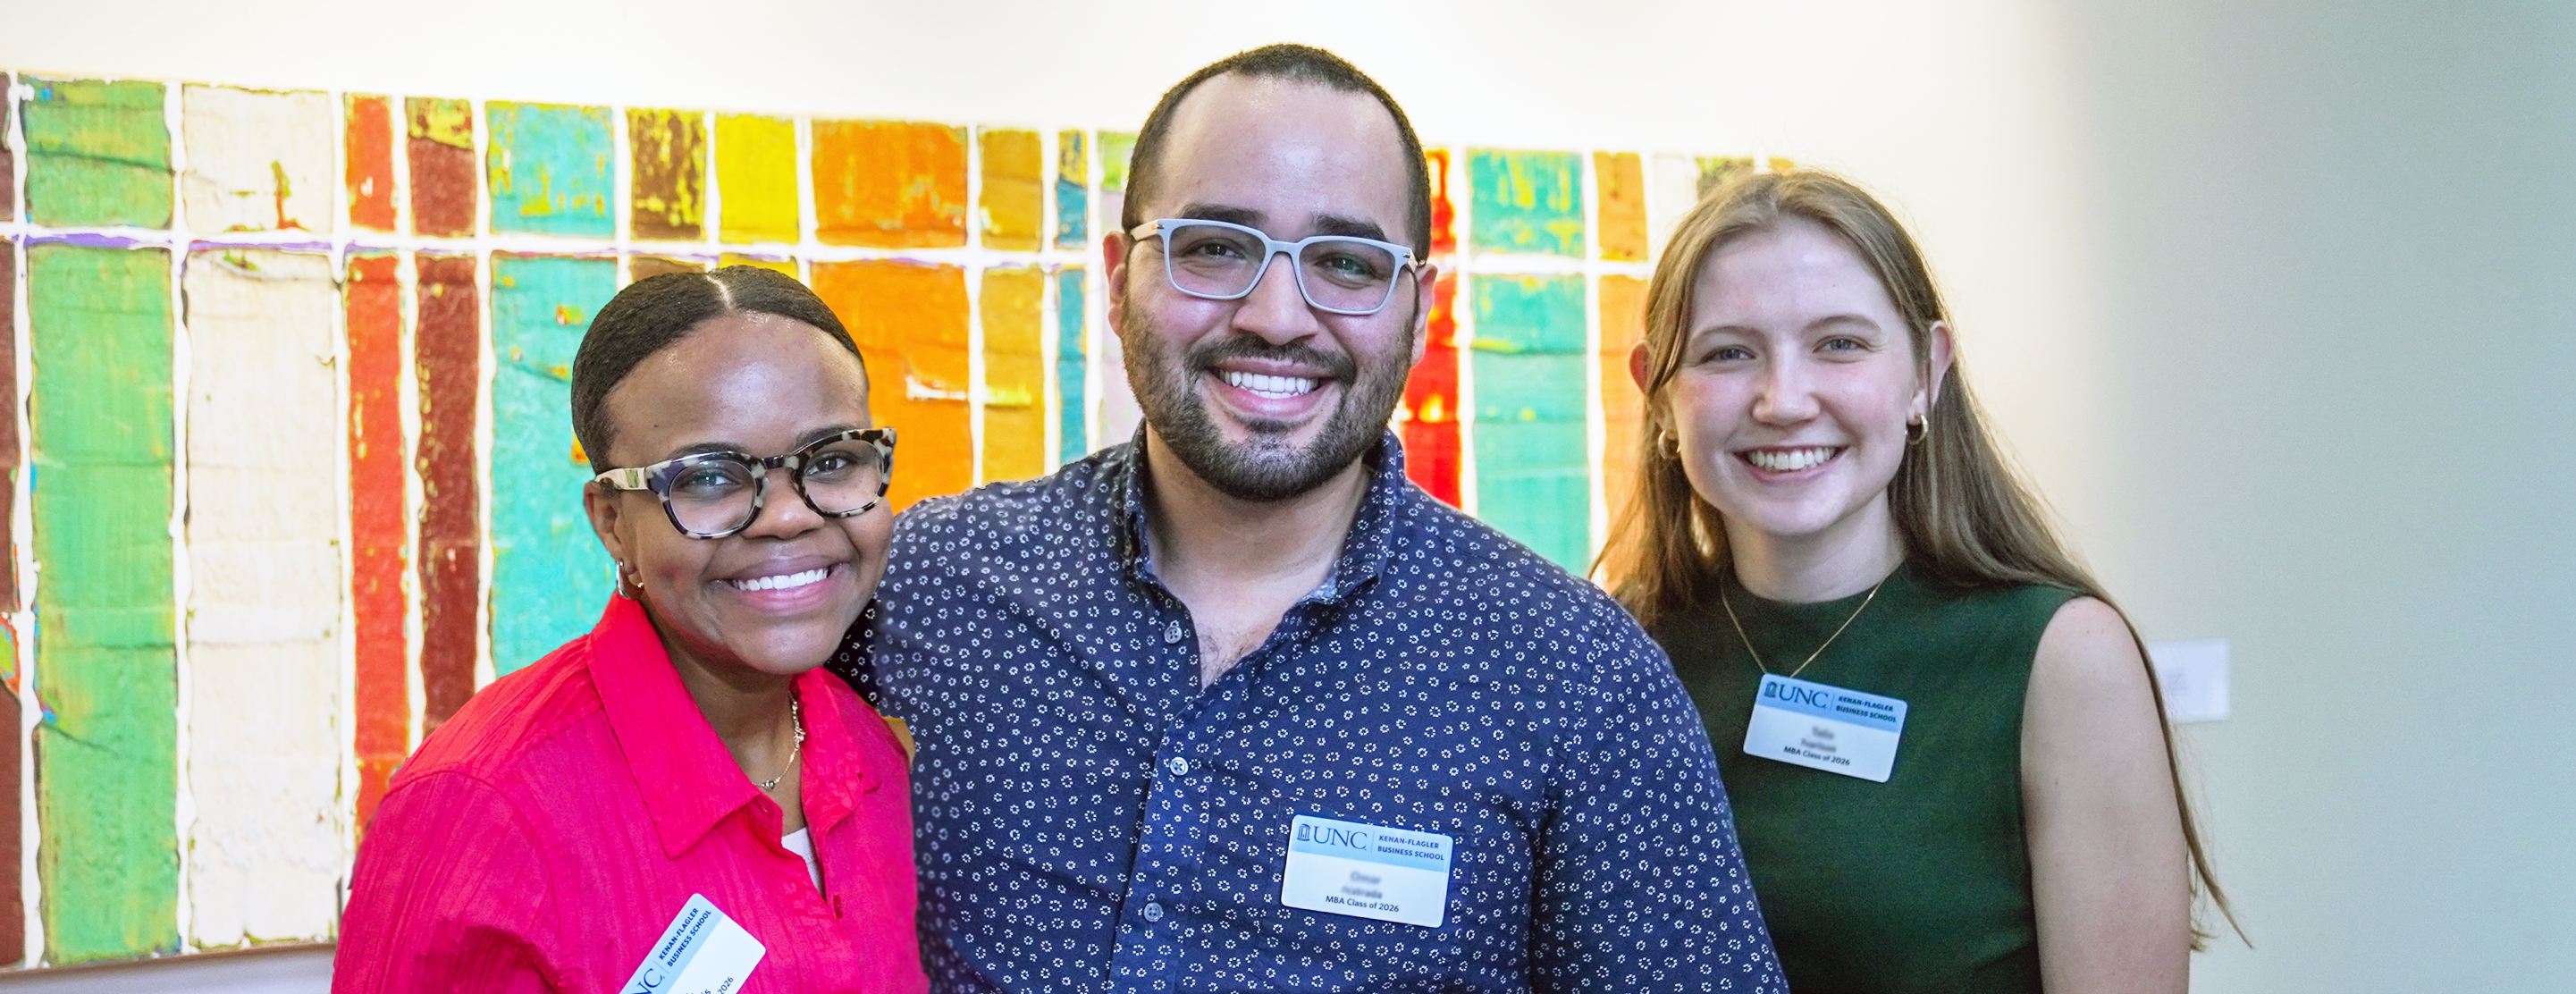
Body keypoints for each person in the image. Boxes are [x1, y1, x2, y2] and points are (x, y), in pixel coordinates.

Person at [833, 44, 1783, 994]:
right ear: (1119, 282)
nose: (1277, 317)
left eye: (1346, 263)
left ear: (1418, 308)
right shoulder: (918, 586)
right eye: (1215, 247)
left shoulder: (1578, 678)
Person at [1601, 170, 2237, 993]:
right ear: (1656, 393)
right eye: (1729, 353)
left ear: (1925, 372)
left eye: (1839, 344)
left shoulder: (2060, 660)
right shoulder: (1611, 660)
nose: (1783, 401)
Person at [334, 267, 926, 994]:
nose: (787, 516)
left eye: (832, 460)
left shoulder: (873, 751)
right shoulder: (481, 812)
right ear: (613, 523)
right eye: (709, 477)